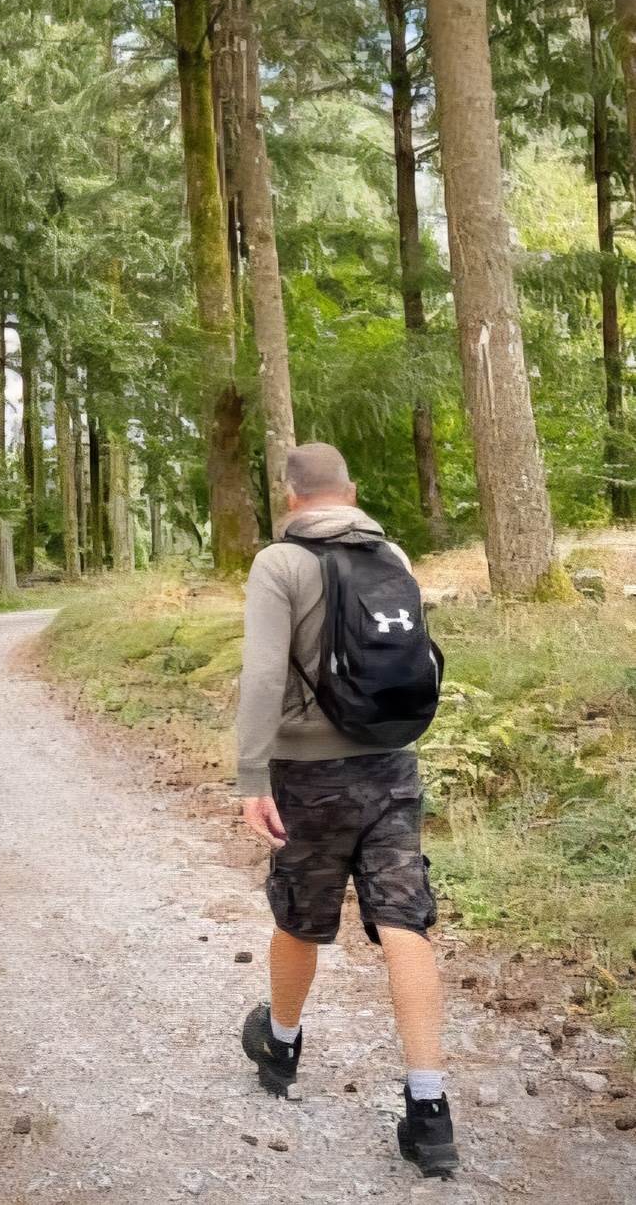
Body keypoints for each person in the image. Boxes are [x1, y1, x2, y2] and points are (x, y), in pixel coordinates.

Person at [234, 442, 459, 1178]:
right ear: (350, 489)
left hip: (310, 774)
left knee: (300, 914)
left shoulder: (280, 564)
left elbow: (265, 674)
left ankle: (283, 1042)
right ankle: (429, 1111)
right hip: (392, 760)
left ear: (290, 494)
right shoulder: (390, 552)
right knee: (404, 918)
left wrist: (250, 777)